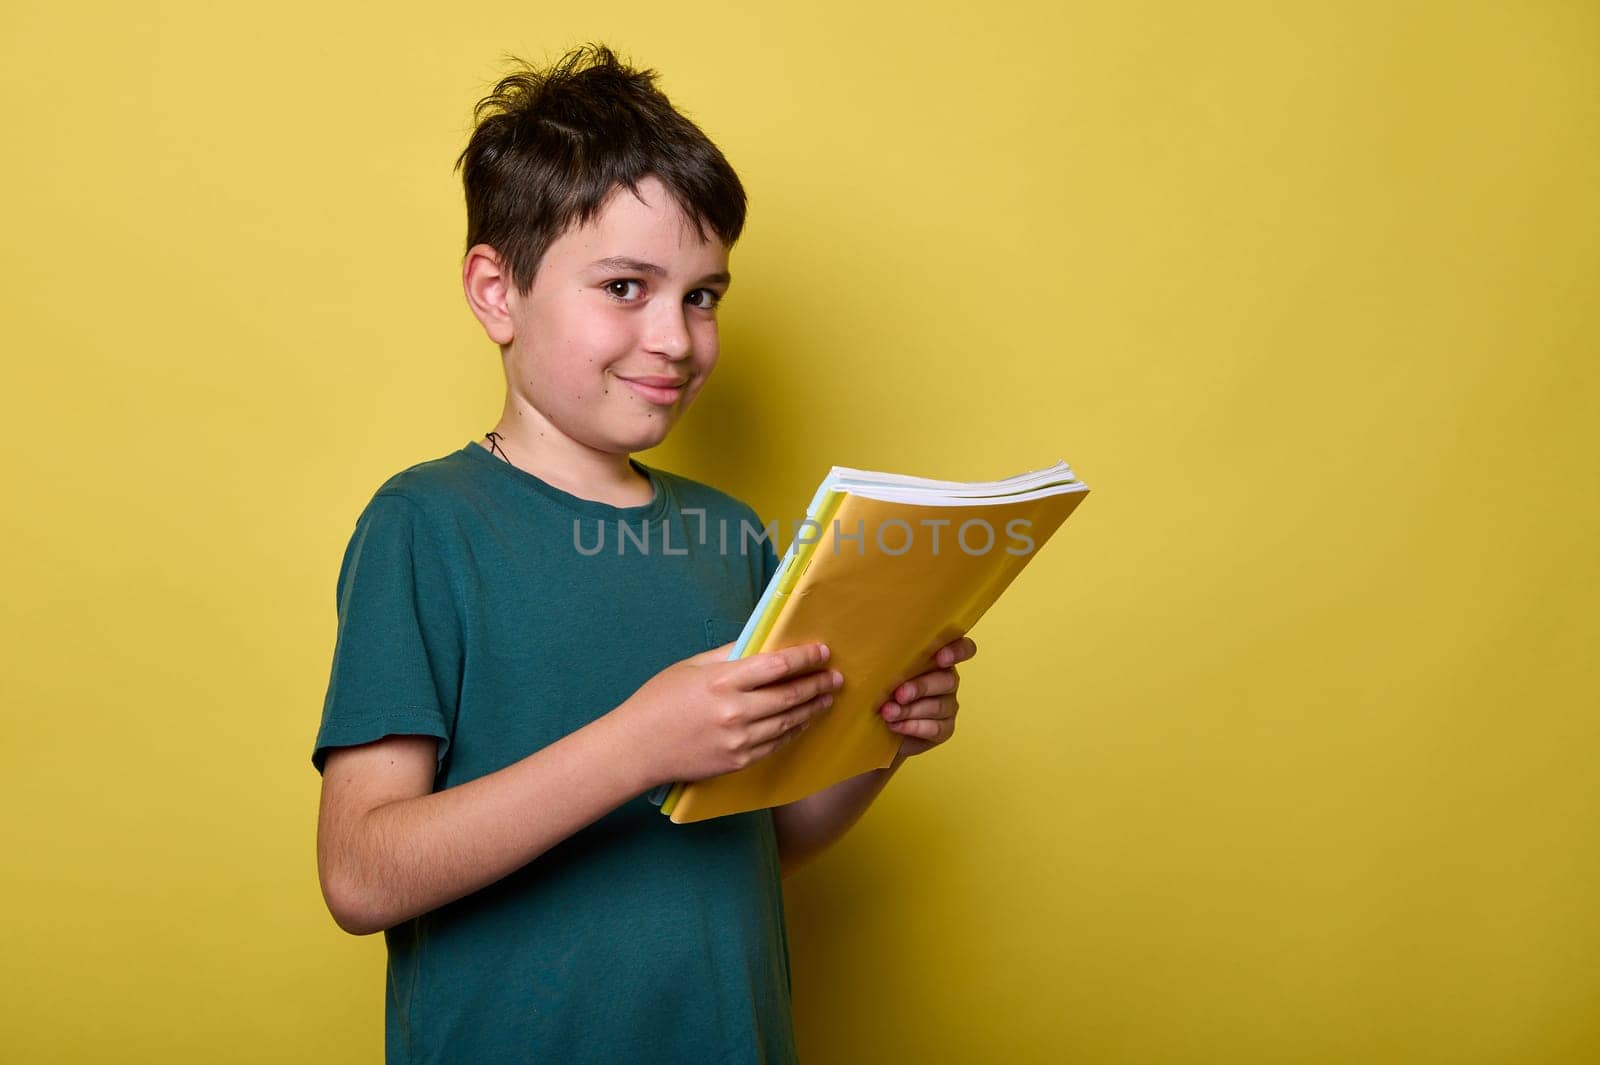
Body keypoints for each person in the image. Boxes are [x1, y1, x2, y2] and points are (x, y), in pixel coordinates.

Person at [310, 41, 978, 1064]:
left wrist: (880, 740)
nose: (675, 337)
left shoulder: (733, 537)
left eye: (703, 296)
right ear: (497, 292)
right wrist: (638, 744)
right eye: (626, 286)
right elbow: (361, 874)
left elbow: (760, 845)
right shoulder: (427, 525)